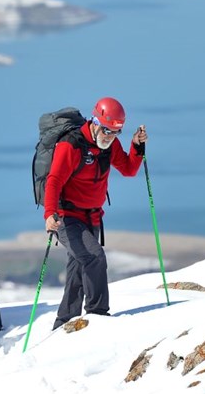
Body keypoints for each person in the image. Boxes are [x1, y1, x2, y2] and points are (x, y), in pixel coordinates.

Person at [44, 97, 147, 329]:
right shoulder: (71, 145)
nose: (109, 137)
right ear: (95, 121)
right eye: (107, 130)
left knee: (78, 267)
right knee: (94, 258)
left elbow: (129, 170)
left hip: (92, 217)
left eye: (115, 133)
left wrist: (136, 146)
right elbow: (53, 181)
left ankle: (64, 323)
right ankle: (97, 315)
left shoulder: (109, 146)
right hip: (66, 218)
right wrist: (50, 214)